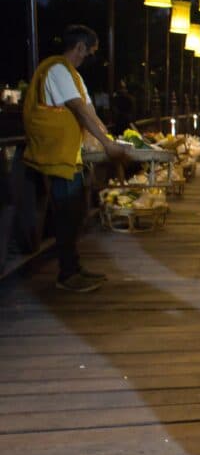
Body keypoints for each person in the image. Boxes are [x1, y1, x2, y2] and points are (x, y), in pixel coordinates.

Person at [22, 25, 127, 292]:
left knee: (76, 211)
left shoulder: (74, 77)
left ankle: (74, 268)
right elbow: (79, 110)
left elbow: (90, 112)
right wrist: (106, 143)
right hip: (57, 154)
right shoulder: (57, 69)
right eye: (90, 51)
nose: (90, 57)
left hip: (70, 154)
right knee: (67, 213)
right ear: (79, 47)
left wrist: (109, 139)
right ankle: (67, 274)